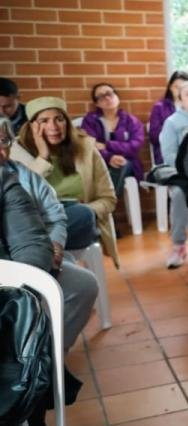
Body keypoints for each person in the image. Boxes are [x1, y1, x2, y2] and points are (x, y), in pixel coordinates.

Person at [1, 116, 99, 358]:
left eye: (3, 140)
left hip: (39, 253)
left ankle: (49, 357)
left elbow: (55, 216)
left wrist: (54, 245)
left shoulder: (25, 176)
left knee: (83, 284)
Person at [13, 97, 119, 266]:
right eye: (44, 121)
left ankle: (42, 256)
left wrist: (88, 209)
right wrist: (43, 157)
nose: (53, 127)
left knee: (82, 214)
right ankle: (54, 259)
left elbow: (109, 199)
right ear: (32, 126)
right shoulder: (15, 153)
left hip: (76, 219)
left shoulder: (85, 149)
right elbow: (21, 198)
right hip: (39, 219)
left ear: (67, 123)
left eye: (59, 119)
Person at [152, 81, 188, 268]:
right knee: (180, 193)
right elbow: (169, 153)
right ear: (180, 100)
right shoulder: (172, 122)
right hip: (180, 170)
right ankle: (178, 244)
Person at [79, 82, 146, 194]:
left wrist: (107, 145)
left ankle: (105, 204)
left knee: (121, 164)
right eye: (101, 97)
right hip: (98, 164)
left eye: (110, 93)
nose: (107, 98)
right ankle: (107, 204)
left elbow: (135, 146)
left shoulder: (131, 120)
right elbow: (89, 144)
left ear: (117, 96)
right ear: (97, 104)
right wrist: (109, 157)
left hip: (127, 164)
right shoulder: (90, 120)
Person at [148, 70, 188, 166]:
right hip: (167, 151)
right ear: (170, 88)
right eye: (176, 87)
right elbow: (153, 136)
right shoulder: (160, 107)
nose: (179, 91)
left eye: (183, 87)